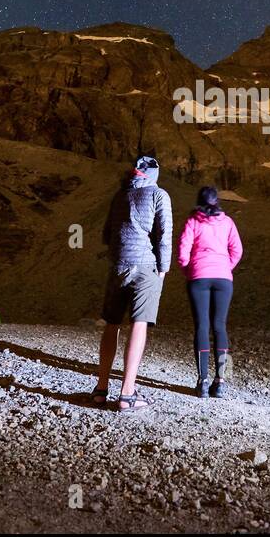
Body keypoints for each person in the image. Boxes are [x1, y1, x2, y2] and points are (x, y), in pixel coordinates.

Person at [94, 155, 172, 411]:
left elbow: (107, 233)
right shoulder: (159, 195)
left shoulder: (120, 195)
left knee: (111, 324)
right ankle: (127, 393)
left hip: (118, 266)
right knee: (139, 324)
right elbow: (163, 236)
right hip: (145, 266)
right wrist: (163, 268)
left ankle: (101, 388)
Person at [177, 186, 243, 398]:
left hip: (199, 277)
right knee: (220, 327)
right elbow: (237, 250)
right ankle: (220, 382)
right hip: (224, 278)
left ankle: (203, 382)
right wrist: (225, 267)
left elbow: (182, 251)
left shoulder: (193, 221)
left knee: (202, 327)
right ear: (217, 202)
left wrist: (191, 269)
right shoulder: (228, 222)